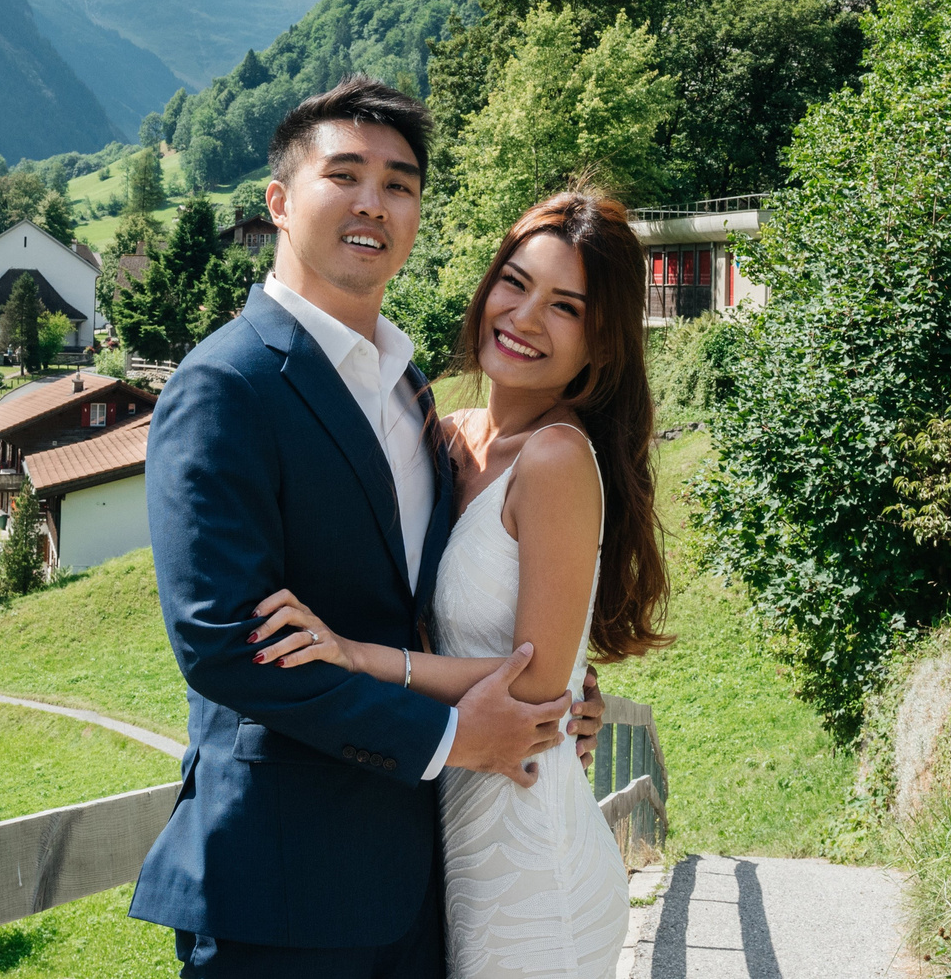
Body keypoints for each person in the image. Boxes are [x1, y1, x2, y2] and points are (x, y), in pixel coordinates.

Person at [132, 78, 608, 977]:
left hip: (422, 880)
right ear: (279, 201)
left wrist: (558, 686)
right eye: (344, 174)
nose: (372, 202)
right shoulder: (224, 385)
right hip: (280, 888)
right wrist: (460, 737)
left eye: (399, 183)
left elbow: (442, 600)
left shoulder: (412, 388)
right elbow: (224, 643)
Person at [253, 188, 668, 978]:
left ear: (601, 344)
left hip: (529, 852)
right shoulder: (450, 437)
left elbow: (538, 684)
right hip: (448, 828)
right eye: (515, 282)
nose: (524, 316)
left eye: (566, 306)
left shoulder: (554, 459)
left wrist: (361, 657)